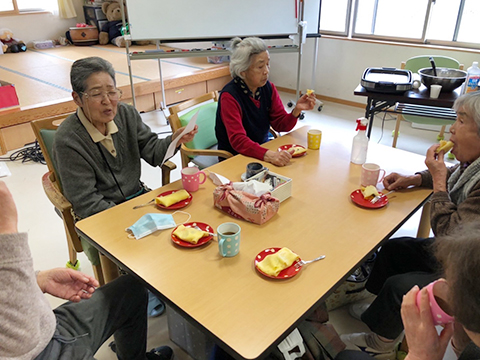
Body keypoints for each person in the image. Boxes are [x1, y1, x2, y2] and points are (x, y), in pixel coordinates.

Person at [52, 57, 197, 317]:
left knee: (188, 229)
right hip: (99, 216)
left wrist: (174, 140)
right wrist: (133, 222)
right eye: (97, 94)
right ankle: (134, 295)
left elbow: (153, 152)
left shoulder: (127, 114)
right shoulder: (68, 140)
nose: (108, 101)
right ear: (77, 98)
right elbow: (87, 203)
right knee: (147, 244)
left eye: (112, 91)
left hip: (136, 199)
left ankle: (163, 286)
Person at [341, 91, 480, 359]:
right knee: (395, 249)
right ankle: (378, 310)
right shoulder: (472, 165)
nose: (451, 128)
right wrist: (416, 178)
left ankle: (381, 342)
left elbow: (451, 234)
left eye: (462, 122)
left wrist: (438, 183)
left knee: (400, 286)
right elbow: (455, 175)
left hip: (469, 272)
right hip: (461, 255)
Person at [0, 180, 173, 360]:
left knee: (132, 289)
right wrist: (7, 237)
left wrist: (37, 280)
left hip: (45, 328)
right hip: (34, 349)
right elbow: (23, 341)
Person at [336, 223, 480, 360]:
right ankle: (379, 314)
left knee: (347, 357)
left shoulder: (472, 352)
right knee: (394, 249)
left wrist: (419, 355)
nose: (442, 282)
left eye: (451, 284)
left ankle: (380, 345)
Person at [215, 37, 316, 167]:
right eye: (260, 66)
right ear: (243, 72)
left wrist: (296, 111)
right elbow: (238, 141)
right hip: (235, 158)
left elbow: (280, 124)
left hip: (261, 151)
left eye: (268, 64)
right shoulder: (229, 97)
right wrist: (269, 155)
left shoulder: (267, 88)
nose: (266, 71)